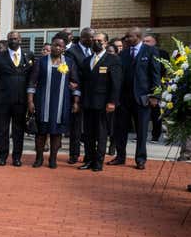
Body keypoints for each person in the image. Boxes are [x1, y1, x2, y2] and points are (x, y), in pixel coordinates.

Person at [109, 27, 161, 170]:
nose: (126, 39)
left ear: (137, 37)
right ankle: (120, 157)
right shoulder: (124, 54)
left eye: (129, 37)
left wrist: (155, 95)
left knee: (142, 130)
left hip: (142, 98)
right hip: (124, 99)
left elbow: (156, 75)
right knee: (121, 129)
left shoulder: (150, 51)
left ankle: (140, 159)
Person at [27, 36, 80, 169]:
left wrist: (76, 102)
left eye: (60, 46)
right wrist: (30, 101)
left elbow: (75, 82)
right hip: (42, 102)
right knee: (41, 132)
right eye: (55, 45)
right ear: (51, 45)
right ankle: (39, 158)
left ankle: (53, 159)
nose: (57, 48)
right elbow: (32, 81)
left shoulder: (69, 62)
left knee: (57, 133)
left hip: (62, 104)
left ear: (63, 48)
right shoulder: (41, 61)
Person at [0, 31, 34, 166]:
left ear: (20, 40)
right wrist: (3, 89)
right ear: (7, 41)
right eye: (10, 39)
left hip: (21, 101)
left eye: (15, 39)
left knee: (18, 130)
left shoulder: (28, 55)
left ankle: (17, 157)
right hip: (3, 100)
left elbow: (31, 77)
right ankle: (2, 156)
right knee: (2, 129)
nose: (13, 41)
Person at [78, 33, 122, 172]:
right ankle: (89, 160)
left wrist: (112, 102)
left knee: (101, 133)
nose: (96, 42)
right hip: (88, 103)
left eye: (99, 40)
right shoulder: (87, 60)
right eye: (94, 40)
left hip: (103, 104)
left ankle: (98, 162)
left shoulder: (112, 60)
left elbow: (116, 83)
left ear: (106, 43)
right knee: (88, 134)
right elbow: (83, 82)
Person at [65, 27, 94, 166]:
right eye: (91, 38)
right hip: (77, 93)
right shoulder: (72, 52)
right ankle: (74, 154)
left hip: (92, 93)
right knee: (76, 127)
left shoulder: (94, 50)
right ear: (83, 38)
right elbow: (73, 72)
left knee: (89, 126)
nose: (93, 40)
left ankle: (90, 155)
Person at [143, 34, 169, 143]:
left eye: (147, 41)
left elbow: (165, 69)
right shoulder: (141, 53)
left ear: (154, 42)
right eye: (143, 41)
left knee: (156, 112)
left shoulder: (162, 53)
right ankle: (141, 135)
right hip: (143, 86)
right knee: (142, 113)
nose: (145, 43)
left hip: (157, 85)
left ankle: (155, 135)